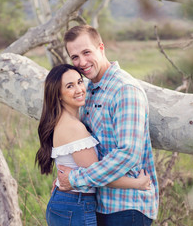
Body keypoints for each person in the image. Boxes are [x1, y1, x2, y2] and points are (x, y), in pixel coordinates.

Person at [57, 25, 159, 226]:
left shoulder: (124, 90)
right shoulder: (87, 89)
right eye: (75, 57)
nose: (82, 62)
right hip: (98, 203)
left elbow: (128, 154)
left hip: (127, 206)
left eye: (87, 52)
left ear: (101, 48)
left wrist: (75, 179)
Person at [36, 64, 152, 226]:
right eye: (70, 86)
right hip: (75, 206)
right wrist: (137, 184)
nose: (79, 89)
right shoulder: (73, 128)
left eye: (79, 82)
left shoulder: (66, 121)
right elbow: (98, 175)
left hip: (69, 204)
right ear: (58, 94)